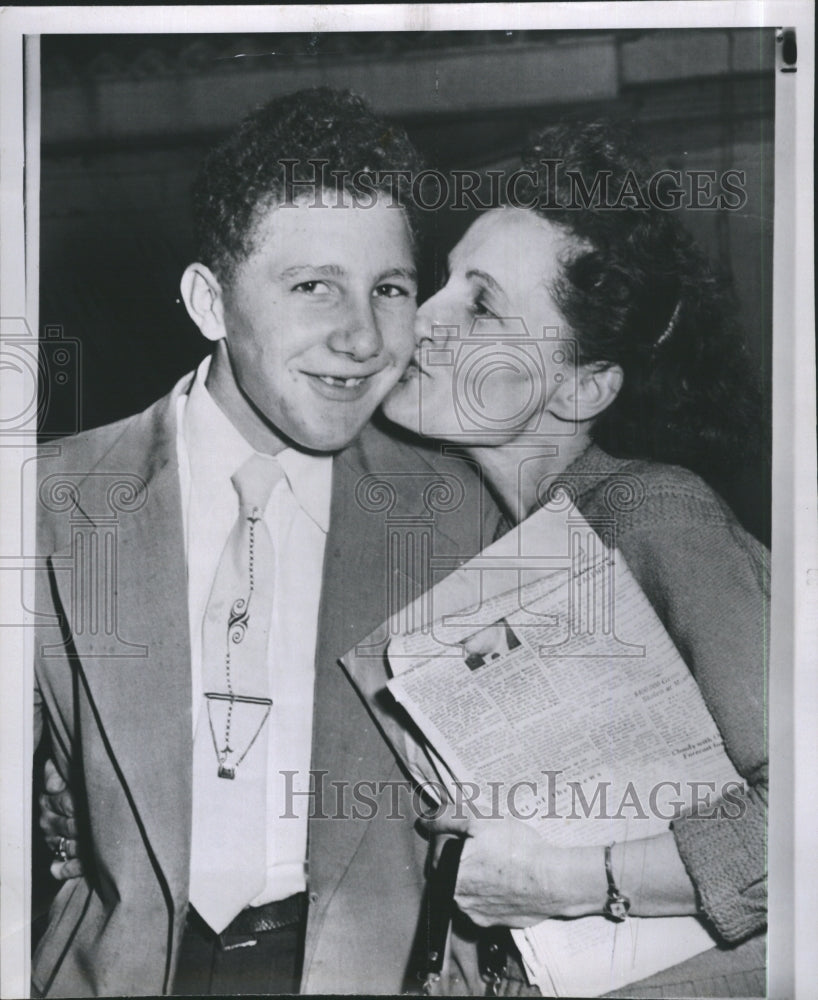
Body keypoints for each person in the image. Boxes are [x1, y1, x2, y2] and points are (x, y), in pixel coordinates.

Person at [31, 87, 497, 997]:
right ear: (210, 300)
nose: (361, 336)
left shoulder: (457, 517)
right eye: (313, 285)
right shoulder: (44, 502)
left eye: (389, 289)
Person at [380, 123, 768, 996]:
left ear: (584, 385)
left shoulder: (655, 515)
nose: (424, 318)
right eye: (442, 282)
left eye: (478, 305)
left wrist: (569, 882)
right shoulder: (486, 543)